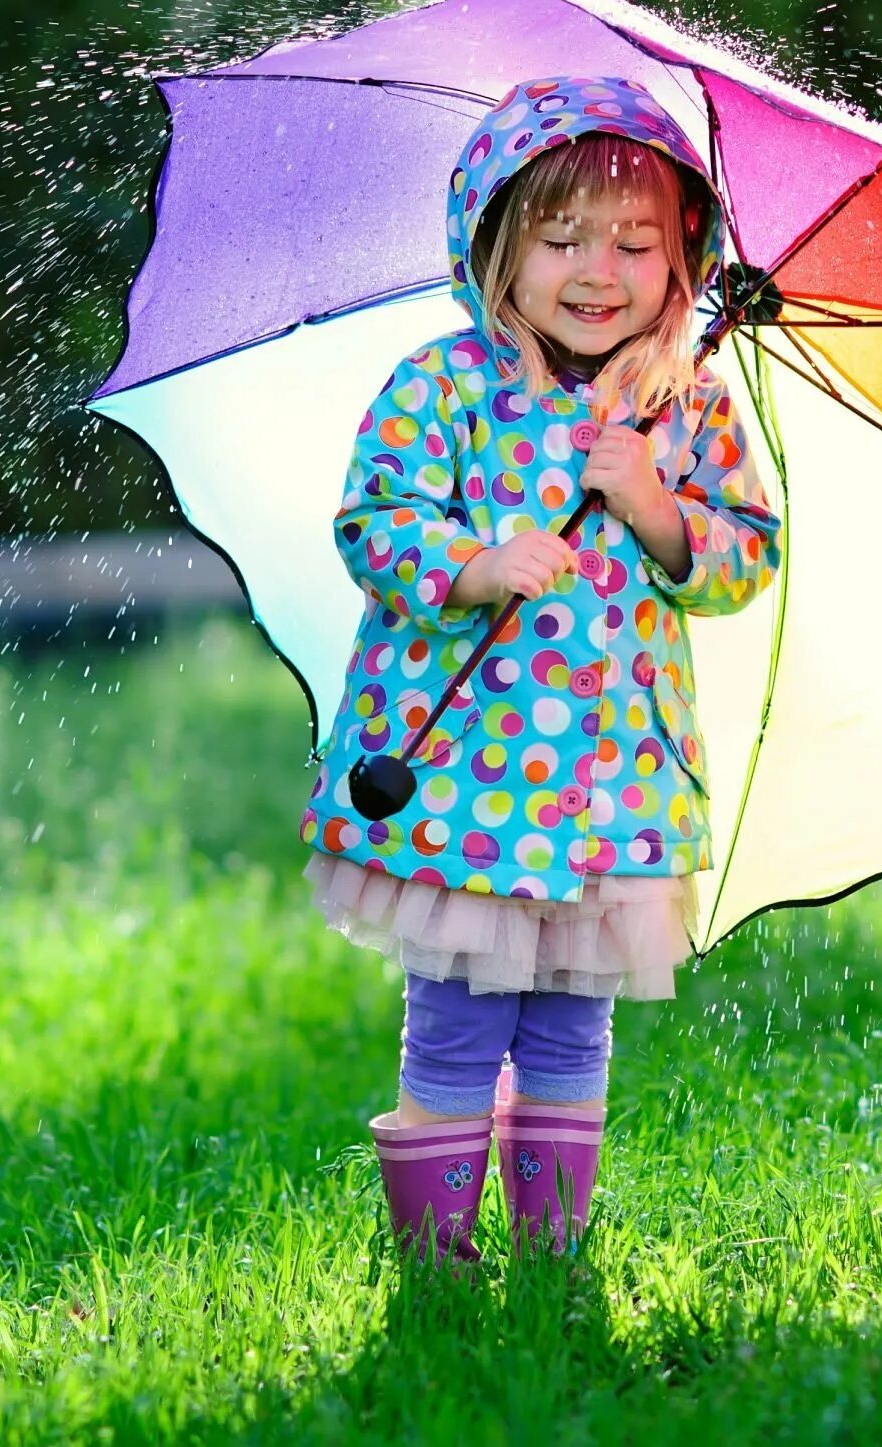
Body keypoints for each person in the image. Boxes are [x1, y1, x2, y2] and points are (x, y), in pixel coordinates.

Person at [298, 74, 783, 1262]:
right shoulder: (445, 383)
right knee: (460, 1020)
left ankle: (551, 1252)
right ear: (497, 247)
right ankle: (439, 1259)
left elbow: (742, 553)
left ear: (684, 261)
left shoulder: (688, 408)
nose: (597, 270)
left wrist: (654, 505)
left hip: (614, 785)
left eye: (634, 243)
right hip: (465, 776)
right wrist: (474, 562)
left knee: (571, 1027)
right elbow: (376, 517)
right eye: (561, 238)